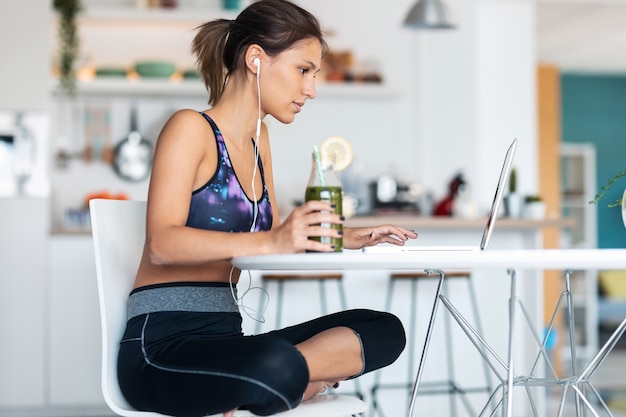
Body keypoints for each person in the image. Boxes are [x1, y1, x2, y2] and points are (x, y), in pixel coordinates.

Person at [117, 1, 418, 416]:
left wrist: (337, 237)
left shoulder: (260, 139)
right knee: (275, 362)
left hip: (228, 341)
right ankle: (278, 379)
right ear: (256, 58)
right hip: (162, 349)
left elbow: (270, 243)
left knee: (385, 329)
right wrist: (276, 238)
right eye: (303, 70)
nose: (311, 89)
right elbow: (162, 245)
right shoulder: (189, 128)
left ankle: (275, 381)